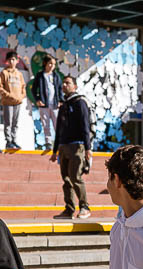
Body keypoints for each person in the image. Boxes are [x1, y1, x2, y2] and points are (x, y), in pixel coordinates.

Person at [50, 76, 92, 220]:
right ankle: (69, 209)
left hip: (77, 145)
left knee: (76, 177)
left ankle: (84, 207)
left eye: (68, 83)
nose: (64, 85)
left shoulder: (80, 102)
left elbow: (85, 125)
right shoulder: (64, 105)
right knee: (66, 180)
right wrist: (55, 150)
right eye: (63, 83)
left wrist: (88, 148)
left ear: (75, 86)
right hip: (63, 146)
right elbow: (58, 129)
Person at [32, 54, 62, 150]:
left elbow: (60, 89)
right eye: (50, 63)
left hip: (55, 104)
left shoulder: (56, 76)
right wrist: (37, 100)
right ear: (45, 63)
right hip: (44, 104)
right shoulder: (40, 75)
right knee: (46, 124)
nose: (52, 66)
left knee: (57, 124)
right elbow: (34, 89)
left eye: (54, 64)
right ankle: (48, 142)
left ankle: (60, 142)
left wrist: (60, 101)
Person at [0, 51, 26, 150]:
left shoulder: (19, 74)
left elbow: (23, 87)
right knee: (8, 122)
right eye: (10, 60)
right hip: (8, 102)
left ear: (17, 61)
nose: (12, 62)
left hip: (17, 102)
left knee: (15, 122)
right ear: (7, 61)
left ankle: (14, 140)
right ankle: (8, 141)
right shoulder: (4, 73)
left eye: (13, 59)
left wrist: (21, 96)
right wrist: (9, 95)